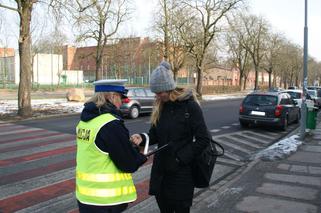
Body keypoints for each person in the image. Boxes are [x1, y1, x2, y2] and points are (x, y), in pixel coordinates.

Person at [131, 61, 211, 213]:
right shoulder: (161, 106)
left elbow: (203, 139)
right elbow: (154, 135)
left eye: (160, 92)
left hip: (181, 174)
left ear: (169, 88)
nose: (158, 96)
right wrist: (142, 138)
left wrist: (180, 158)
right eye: (156, 93)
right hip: (161, 173)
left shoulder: (190, 107)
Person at [75, 79, 147, 213]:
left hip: (85, 196)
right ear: (113, 96)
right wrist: (140, 156)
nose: (121, 103)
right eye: (121, 98)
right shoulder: (110, 124)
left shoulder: (85, 120)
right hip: (105, 200)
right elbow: (128, 163)